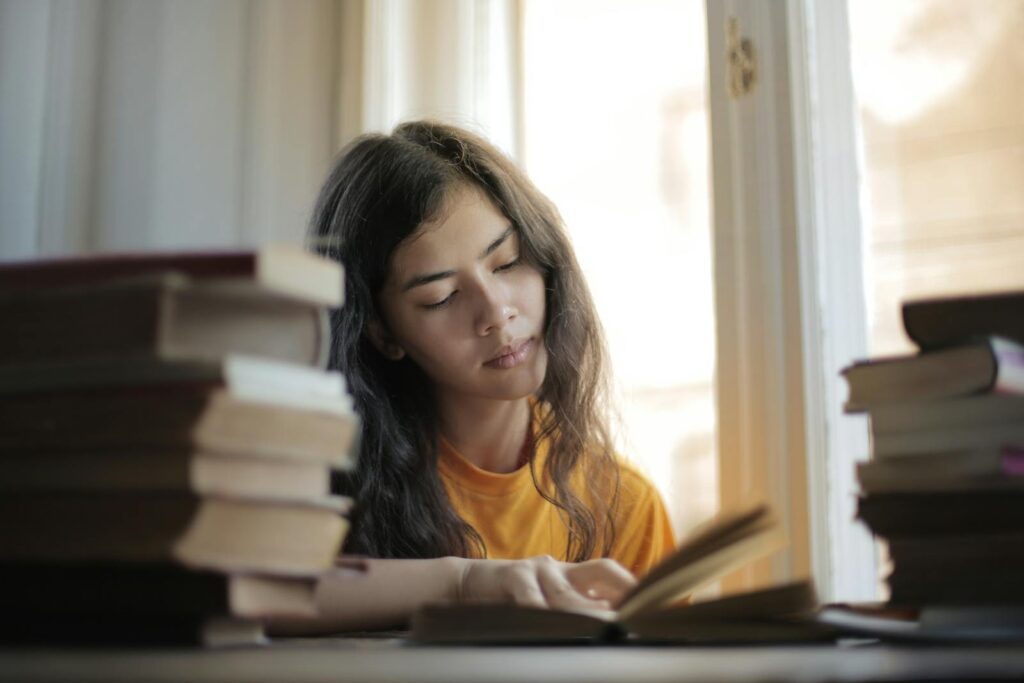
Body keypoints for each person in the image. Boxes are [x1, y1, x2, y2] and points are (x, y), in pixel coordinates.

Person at [284, 120, 674, 632]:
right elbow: (231, 594)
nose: (496, 312)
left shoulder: (622, 504)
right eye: (440, 297)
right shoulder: (317, 479)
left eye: (507, 263)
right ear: (381, 333)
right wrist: (463, 581)